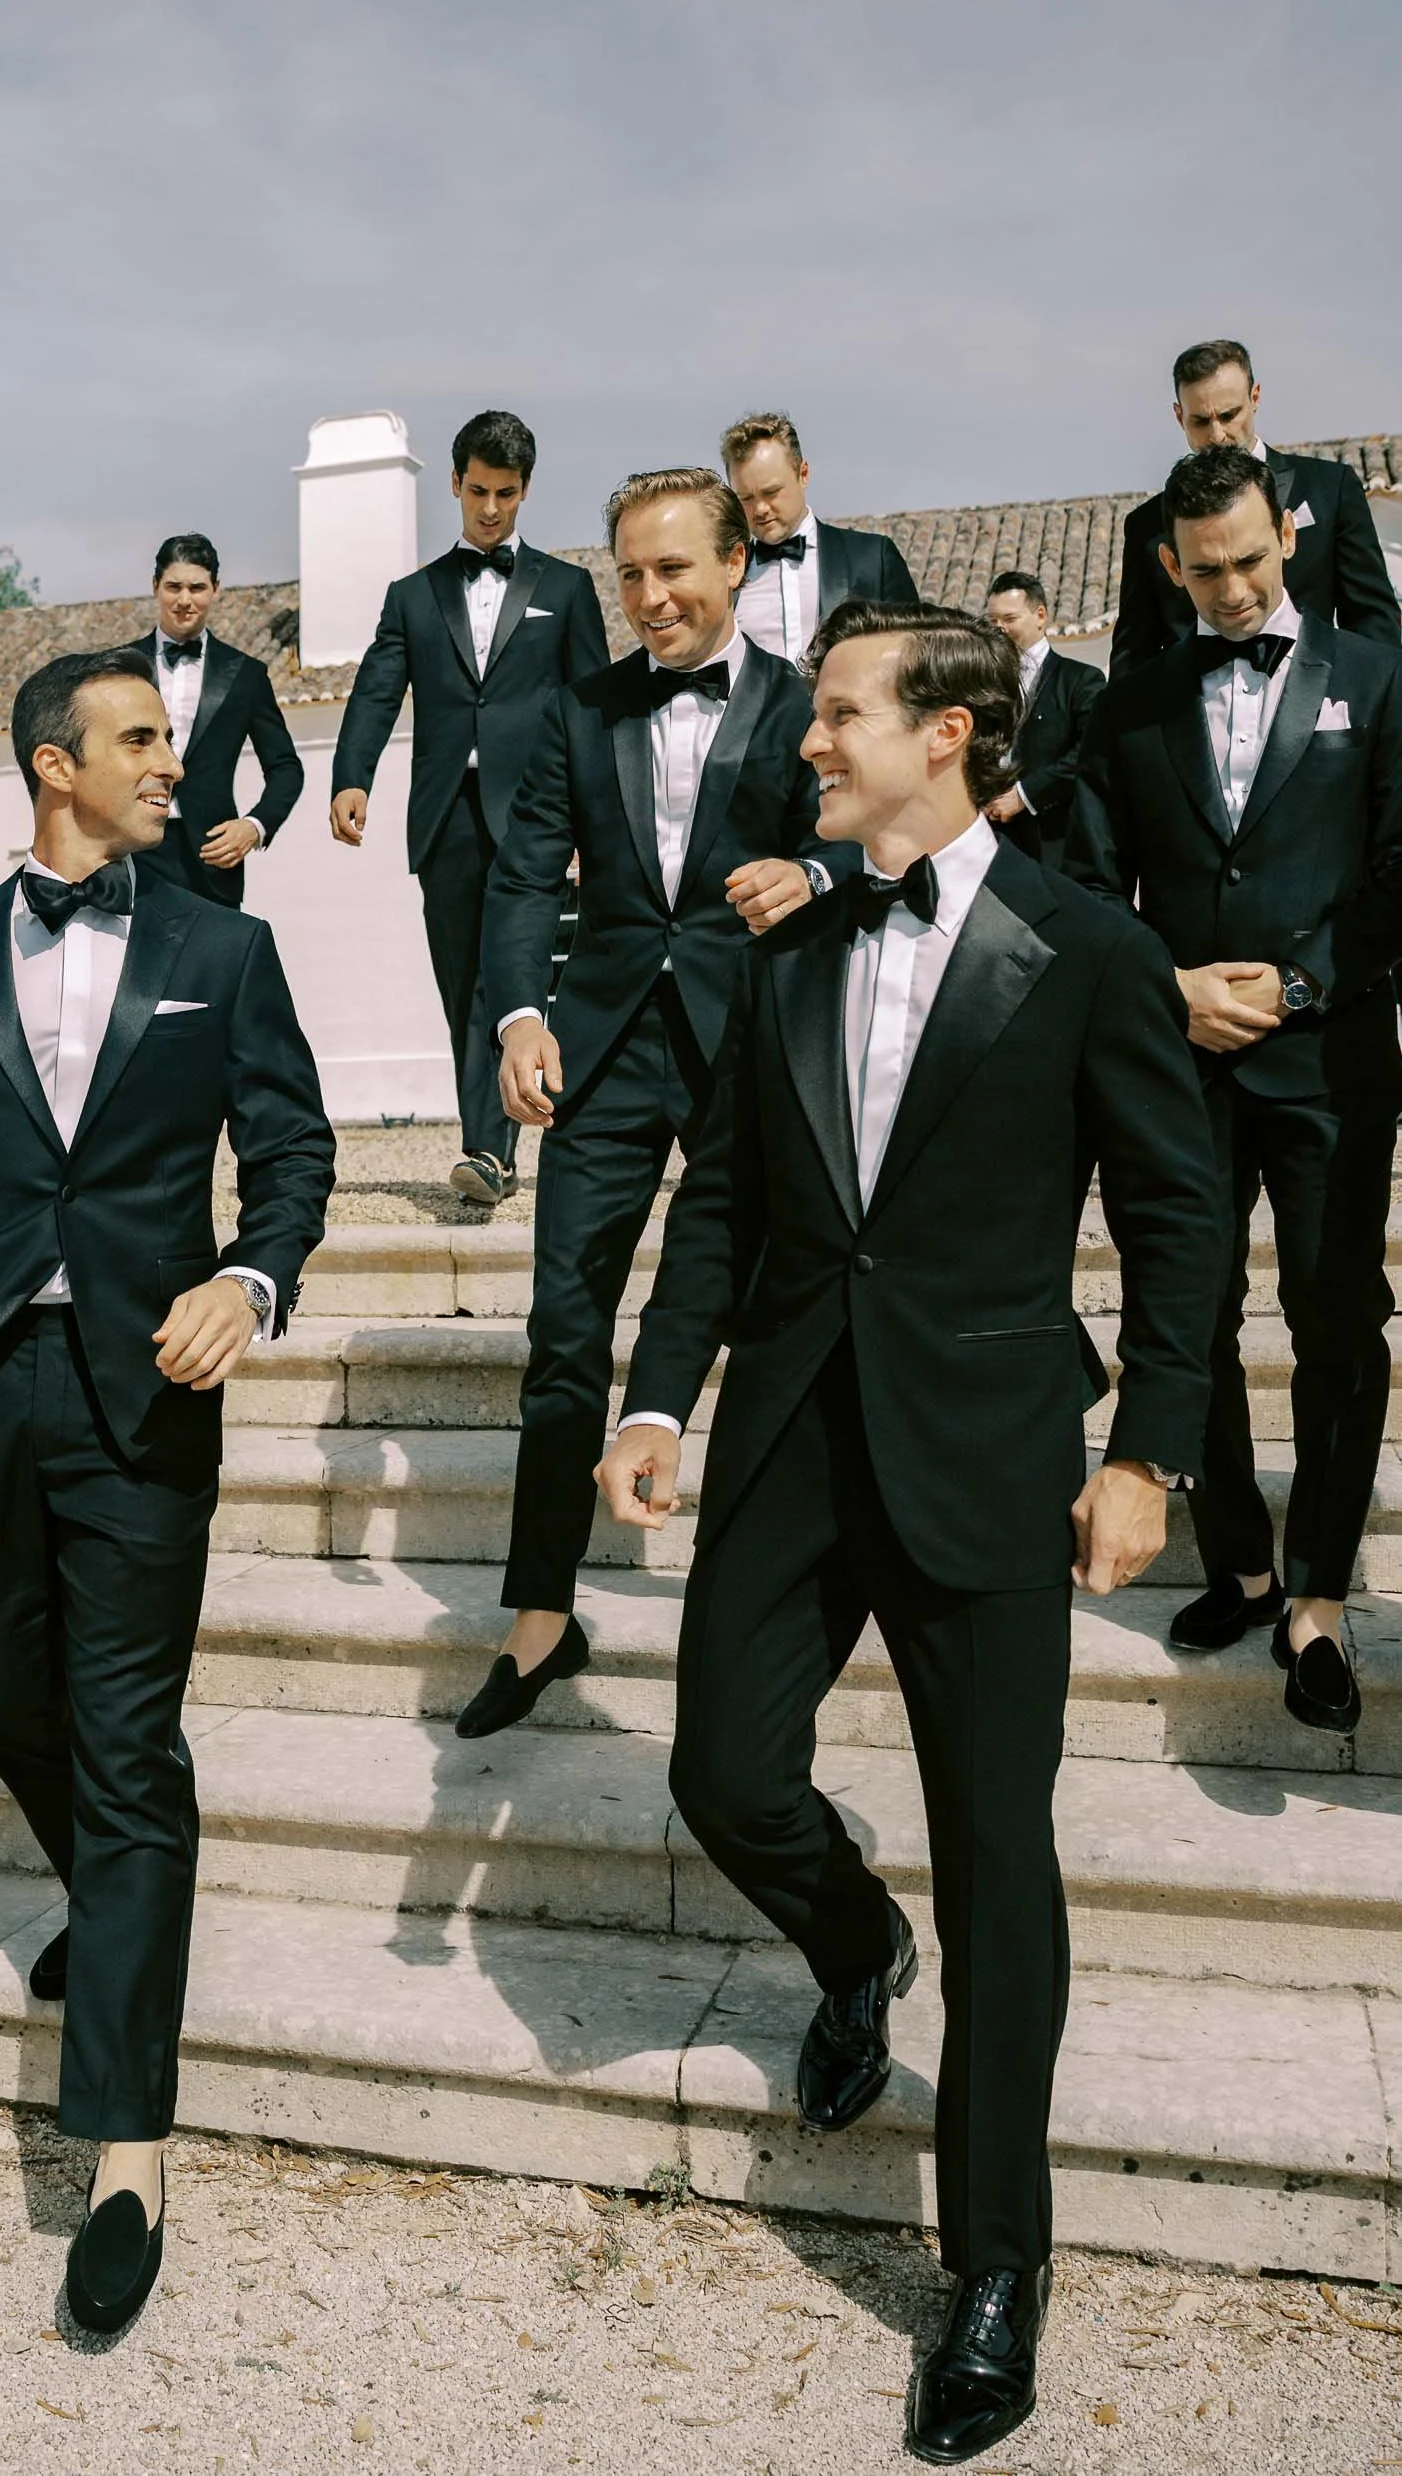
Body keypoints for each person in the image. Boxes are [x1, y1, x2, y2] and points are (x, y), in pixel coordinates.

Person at [597, 600, 1216, 2464]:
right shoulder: (790, 952)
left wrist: (1149, 1456)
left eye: (842, 713)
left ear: (947, 733)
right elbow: (724, 1207)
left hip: (984, 1445)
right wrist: (652, 1394)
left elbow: (1182, 1219)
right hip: (791, 1437)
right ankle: (856, 1945)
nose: (811, 743)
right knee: (720, 1768)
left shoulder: (1087, 949)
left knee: (999, 1856)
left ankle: (998, 2269)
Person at [0, 647, 335, 2332]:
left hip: (145, 1391)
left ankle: (123, 2150)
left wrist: (249, 1281)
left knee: (127, 1741)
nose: (170, 766)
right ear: (56, 767)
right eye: (139, 742)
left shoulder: (223, 949)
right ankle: (117, 1899)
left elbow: (298, 1152)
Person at [453, 466, 856, 1740]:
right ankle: (536, 1615)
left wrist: (813, 866)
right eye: (629, 572)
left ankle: (771, 1598)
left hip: (757, 1046)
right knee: (564, 1325)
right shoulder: (581, 710)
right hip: (606, 1049)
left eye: (673, 568)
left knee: (765, 1311)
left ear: (738, 562)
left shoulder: (806, 707)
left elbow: (874, 831)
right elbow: (522, 877)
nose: (649, 595)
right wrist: (520, 1014)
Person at [1069, 443, 1402, 1735]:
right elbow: (1089, 886)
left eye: (1252, 562)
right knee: (1183, 1316)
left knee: (1334, 1322)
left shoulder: (1375, 680)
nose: (1231, 589)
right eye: (1202, 571)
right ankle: (1239, 1561)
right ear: (1167, 566)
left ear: (1286, 540)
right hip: (1178, 1070)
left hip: (1327, 1065)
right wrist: (1167, 987)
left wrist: (1301, 985)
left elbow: (1394, 866)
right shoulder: (1128, 703)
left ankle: (1315, 1595)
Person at [329, 410, 610, 1205]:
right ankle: (492, 1148)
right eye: (479, 491)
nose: (491, 509)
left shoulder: (567, 589)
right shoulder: (411, 597)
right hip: (445, 815)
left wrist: (595, 819)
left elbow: (590, 706)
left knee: (511, 973)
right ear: (454, 483)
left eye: (507, 495)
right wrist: (351, 778)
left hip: (537, 813)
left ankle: (489, 1148)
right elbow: (376, 691)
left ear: (525, 492)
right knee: (464, 984)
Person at [1110, 339, 1400, 680]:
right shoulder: (1147, 525)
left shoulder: (1328, 488)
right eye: (1200, 421)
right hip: (1192, 717)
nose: (1217, 435)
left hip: (1314, 701)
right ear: (1179, 416)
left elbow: (1372, 618)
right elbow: (1134, 654)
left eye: (1229, 415)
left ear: (1255, 398)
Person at [134, 532, 304, 905]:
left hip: (213, 855)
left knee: (215, 963)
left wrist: (255, 826)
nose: (184, 600)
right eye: (173, 586)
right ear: (155, 587)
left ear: (215, 589)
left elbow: (287, 768)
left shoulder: (246, 675)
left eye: (196, 587)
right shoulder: (120, 668)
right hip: (133, 852)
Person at [720, 410, 917, 667]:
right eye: (745, 498)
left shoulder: (872, 559)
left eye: (771, 492)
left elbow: (916, 653)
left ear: (803, 474)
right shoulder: (724, 578)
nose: (760, 509)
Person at [980, 571, 1107, 867]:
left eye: (1009, 620)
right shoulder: (982, 684)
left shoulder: (1081, 680)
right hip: (989, 839)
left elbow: (1090, 751)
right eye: (992, 621)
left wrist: (1024, 795)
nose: (999, 630)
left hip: (1053, 841)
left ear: (1040, 616)